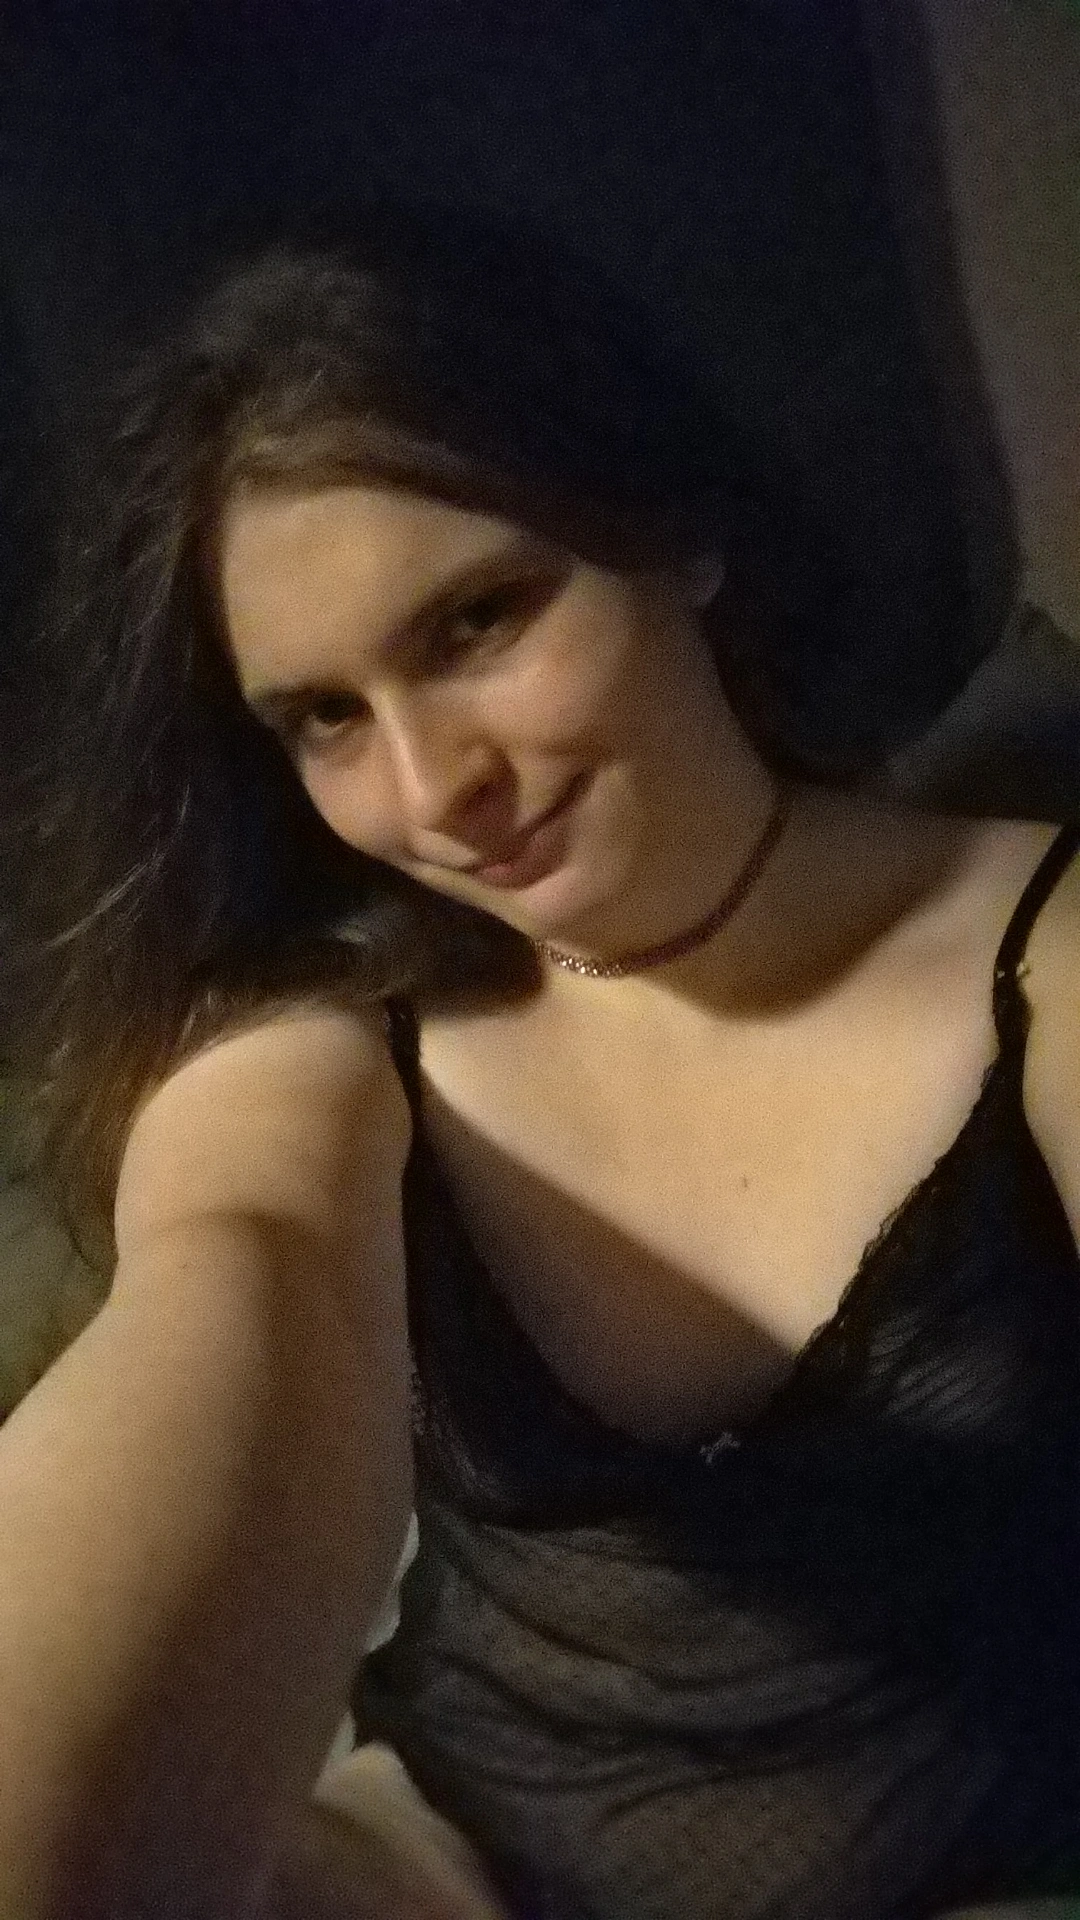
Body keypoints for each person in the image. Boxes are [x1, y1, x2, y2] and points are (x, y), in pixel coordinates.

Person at [3, 203, 1079, 1920]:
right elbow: (239, 1280)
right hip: (427, 1866)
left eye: (475, 621)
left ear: (678, 533)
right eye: (326, 717)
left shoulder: (1045, 955)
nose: (433, 790)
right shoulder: (331, 1039)